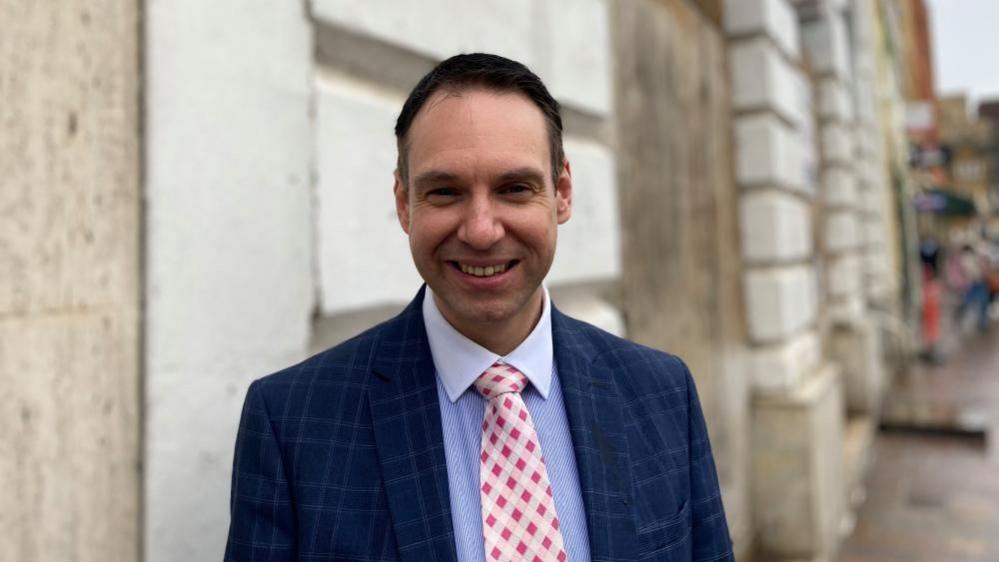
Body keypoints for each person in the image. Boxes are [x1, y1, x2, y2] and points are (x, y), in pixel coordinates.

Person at [224, 53, 733, 562]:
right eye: (445, 192)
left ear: (561, 192)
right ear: (404, 203)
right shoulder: (293, 423)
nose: (482, 230)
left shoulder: (662, 394)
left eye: (514, 189)